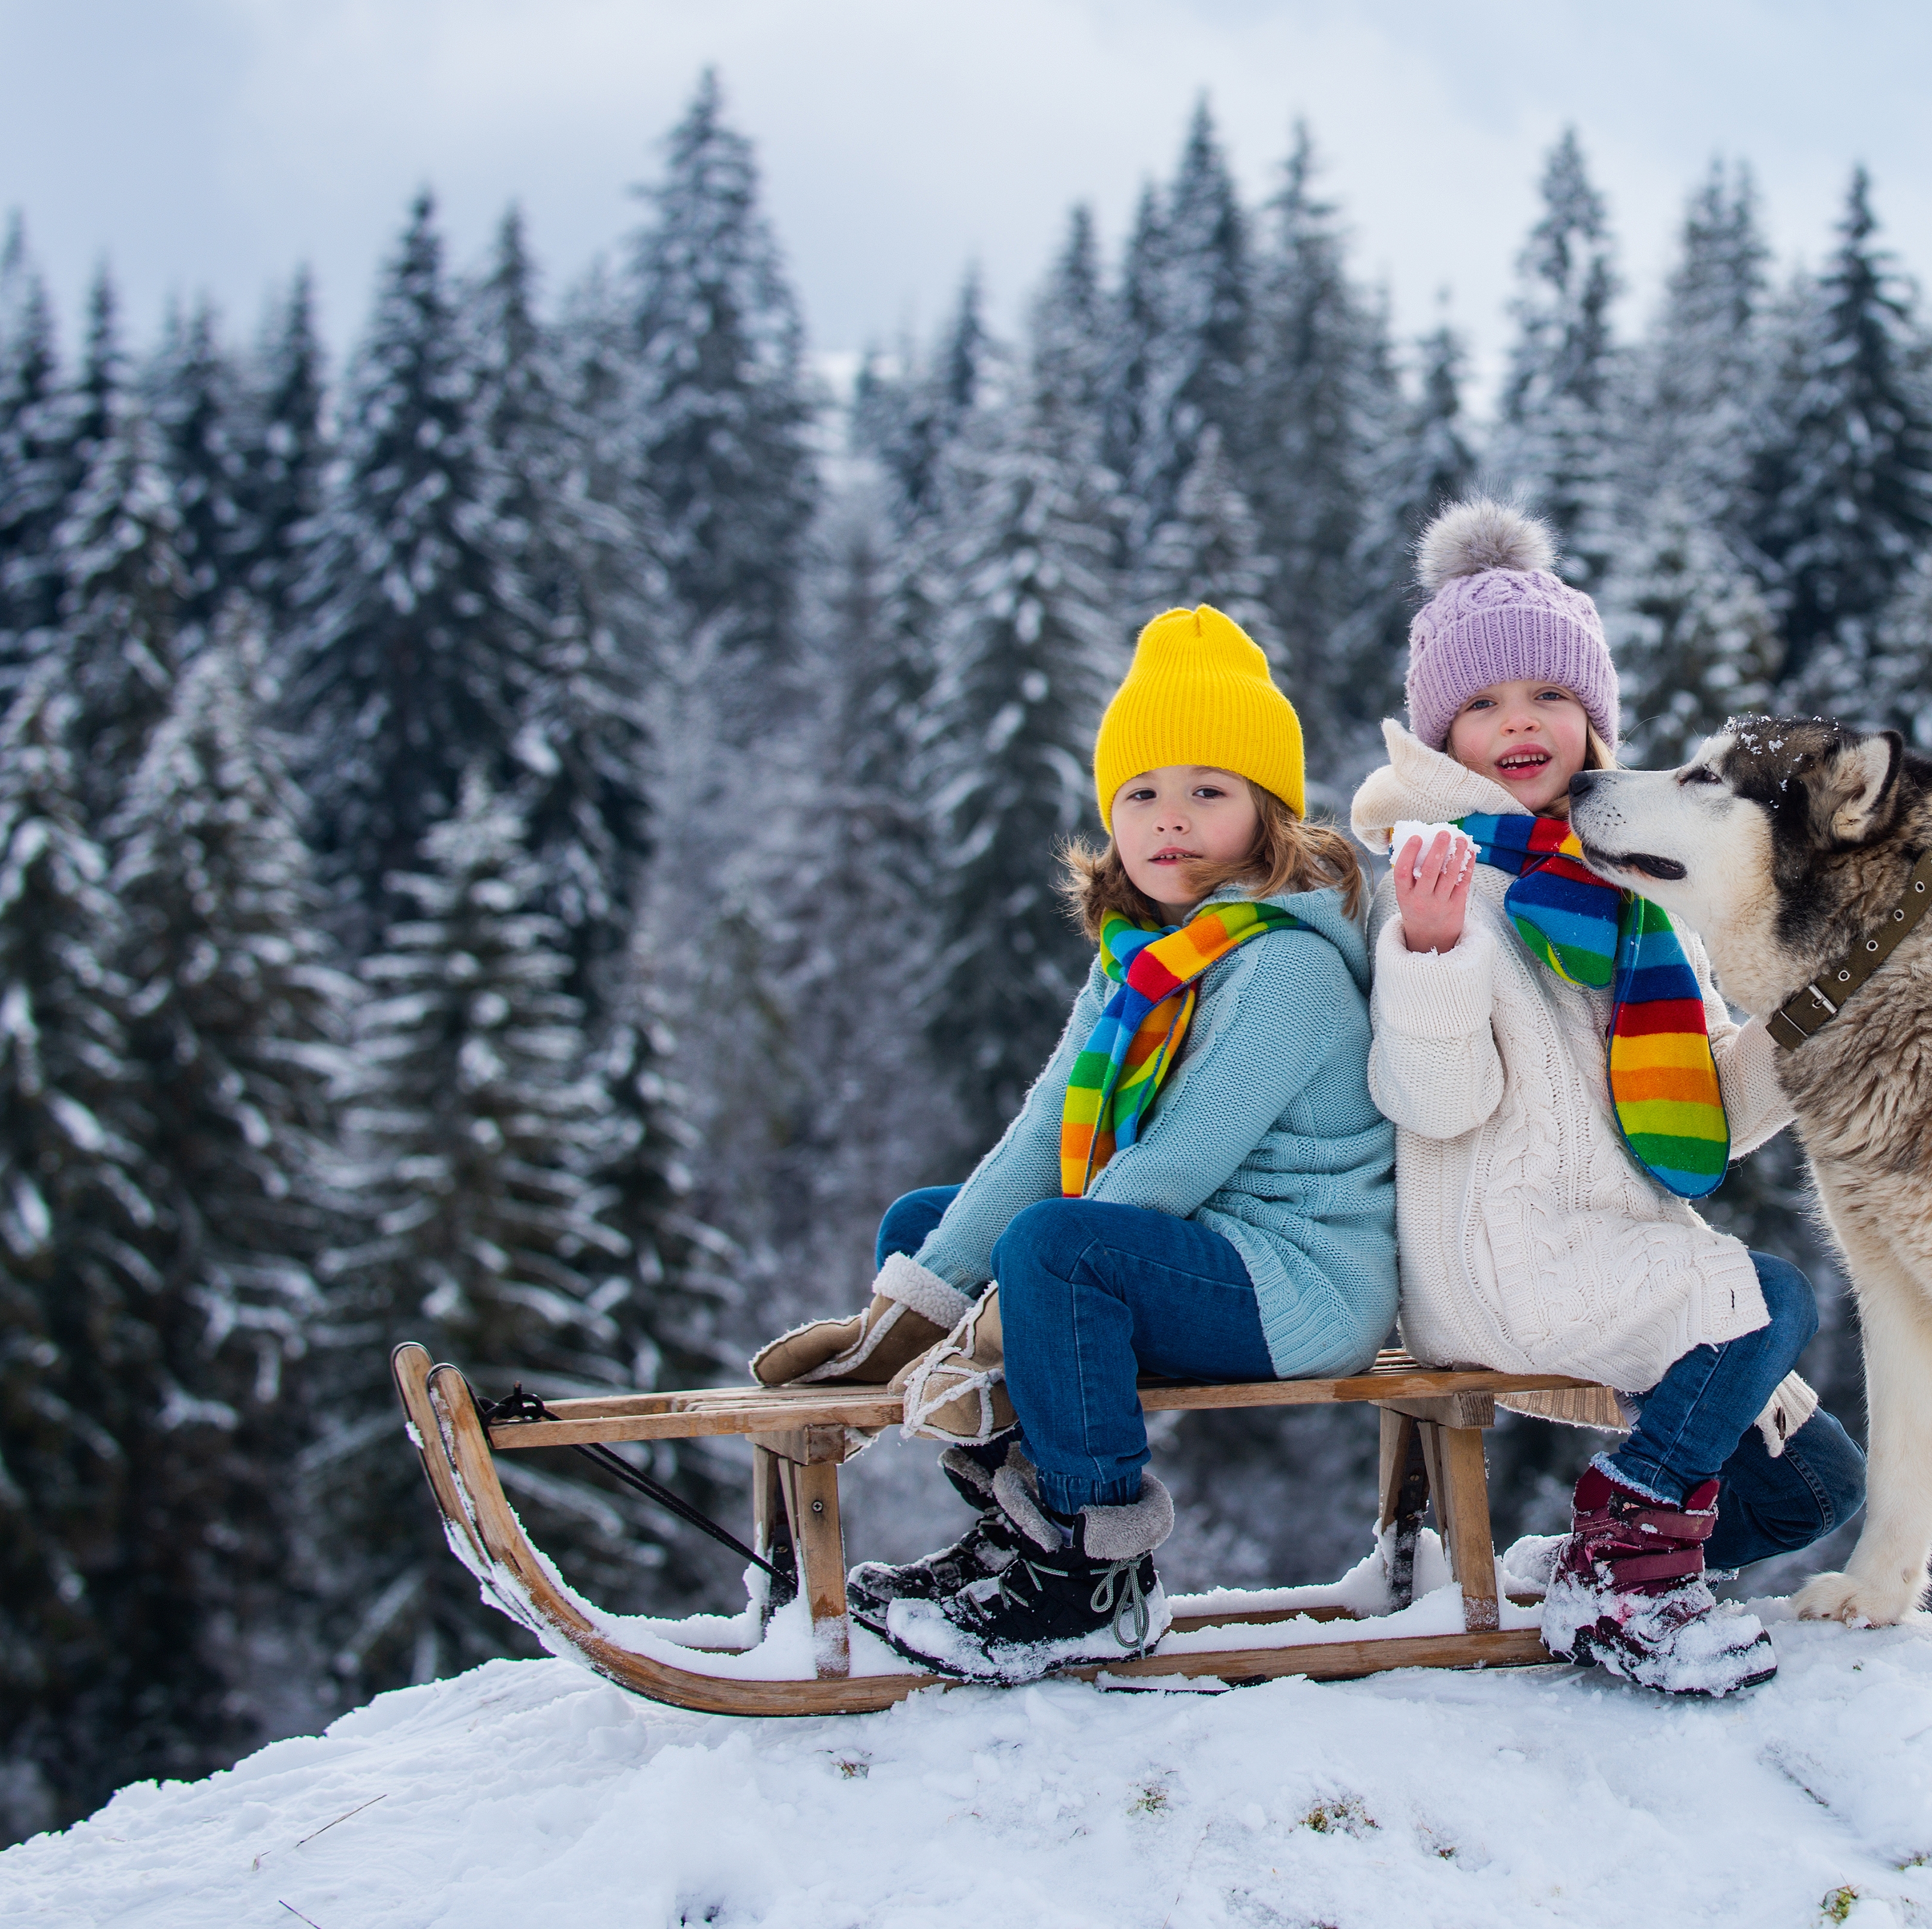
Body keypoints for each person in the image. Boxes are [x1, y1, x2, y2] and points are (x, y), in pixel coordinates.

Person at [752, 605, 1397, 1683]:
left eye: (1208, 790)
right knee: (926, 1222)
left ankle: (1088, 1568)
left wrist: (991, 1317)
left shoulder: (1285, 965)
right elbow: (1045, 1132)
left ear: (1267, 812)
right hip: (1200, 1249)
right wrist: (902, 1321)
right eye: (1140, 793)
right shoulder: (1146, 961)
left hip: (1302, 1280)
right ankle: (1017, 1522)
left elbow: (1175, 1164)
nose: (1169, 819)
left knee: (1054, 1247)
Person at [1351, 500, 1864, 1696]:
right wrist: (1430, 955)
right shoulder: (1442, 879)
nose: (1518, 722)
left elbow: (1706, 1120)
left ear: (1594, 718)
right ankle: (1627, 1570)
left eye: (1547, 696)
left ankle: (1575, 1570)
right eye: (1481, 704)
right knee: (1765, 1295)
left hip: (1618, 1244)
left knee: (1814, 1484)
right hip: (1496, 1256)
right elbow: (1432, 1102)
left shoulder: (1633, 899)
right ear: (1443, 734)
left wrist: (1828, 1006)